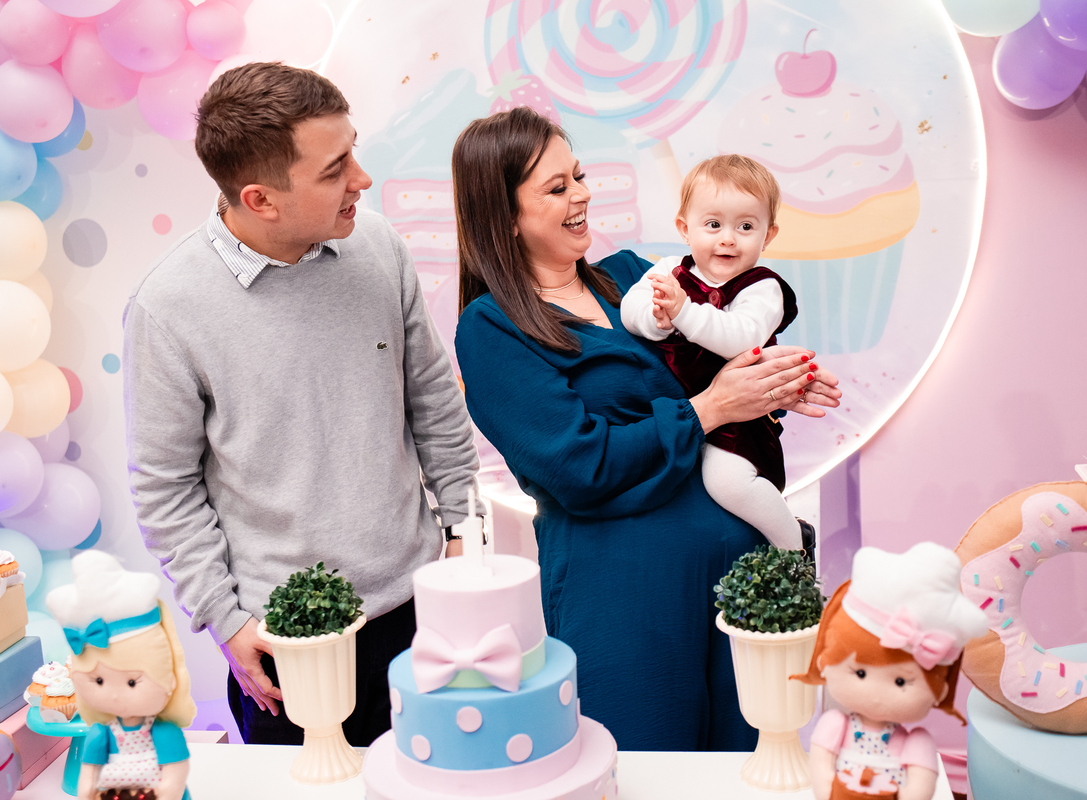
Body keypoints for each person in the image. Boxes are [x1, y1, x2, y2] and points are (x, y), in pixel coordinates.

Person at [451, 107, 841, 751]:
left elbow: (719, 363)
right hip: (627, 602)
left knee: (753, 767)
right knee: (644, 764)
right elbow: (580, 467)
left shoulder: (637, 279)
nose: (581, 195)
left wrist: (773, 385)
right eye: (556, 188)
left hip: (740, 582)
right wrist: (710, 408)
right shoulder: (492, 329)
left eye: (579, 176)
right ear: (505, 215)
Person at [122, 62, 480, 747]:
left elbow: (434, 401)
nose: (362, 180)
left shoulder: (380, 248)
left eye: (353, 152)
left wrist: (463, 529)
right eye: (335, 169)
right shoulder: (167, 308)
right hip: (286, 644)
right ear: (260, 199)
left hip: (421, 610)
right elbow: (165, 487)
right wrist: (226, 620)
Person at [620, 154, 806, 551]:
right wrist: (657, 319)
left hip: (738, 418)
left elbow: (741, 339)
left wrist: (684, 312)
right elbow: (630, 309)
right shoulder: (671, 270)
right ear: (685, 229)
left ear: (768, 235)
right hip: (680, 410)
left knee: (728, 482)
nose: (728, 238)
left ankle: (792, 548)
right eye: (713, 224)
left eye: (745, 226)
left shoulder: (762, 288)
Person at [791, 543, 988, 800]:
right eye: (860, 673)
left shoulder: (916, 743)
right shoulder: (835, 725)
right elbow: (821, 768)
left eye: (900, 681)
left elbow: (918, 788)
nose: (875, 693)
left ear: (940, 689)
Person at [46, 552, 195, 800]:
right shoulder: (99, 734)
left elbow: (174, 778)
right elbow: (88, 777)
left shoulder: (164, 732)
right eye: (99, 681)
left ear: (168, 679)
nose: (115, 695)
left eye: (132, 682)